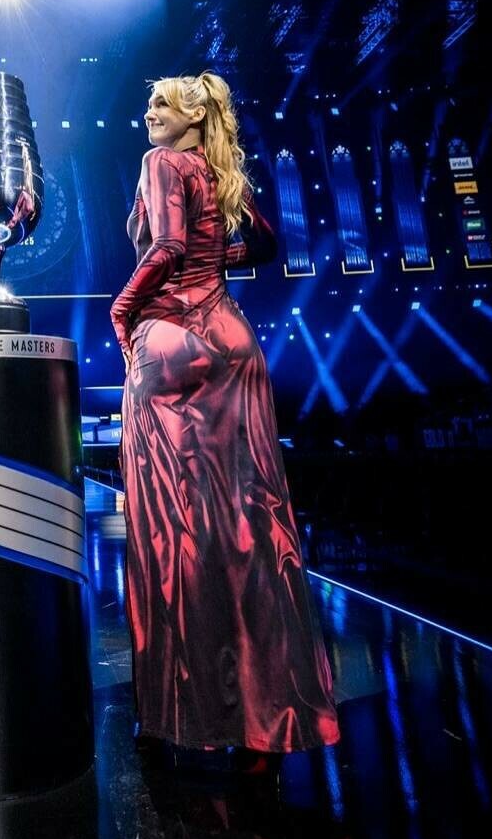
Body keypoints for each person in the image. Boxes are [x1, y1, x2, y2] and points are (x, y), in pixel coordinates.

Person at [110, 72, 340, 774]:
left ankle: (189, 714)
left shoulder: (160, 162)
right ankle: (270, 717)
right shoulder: (218, 171)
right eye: (148, 101)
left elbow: (166, 248)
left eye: (162, 103)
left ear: (192, 116)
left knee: (172, 531)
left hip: (170, 343)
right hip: (234, 343)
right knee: (251, 530)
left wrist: (122, 309)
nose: (148, 111)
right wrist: (216, 262)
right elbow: (263, 247)